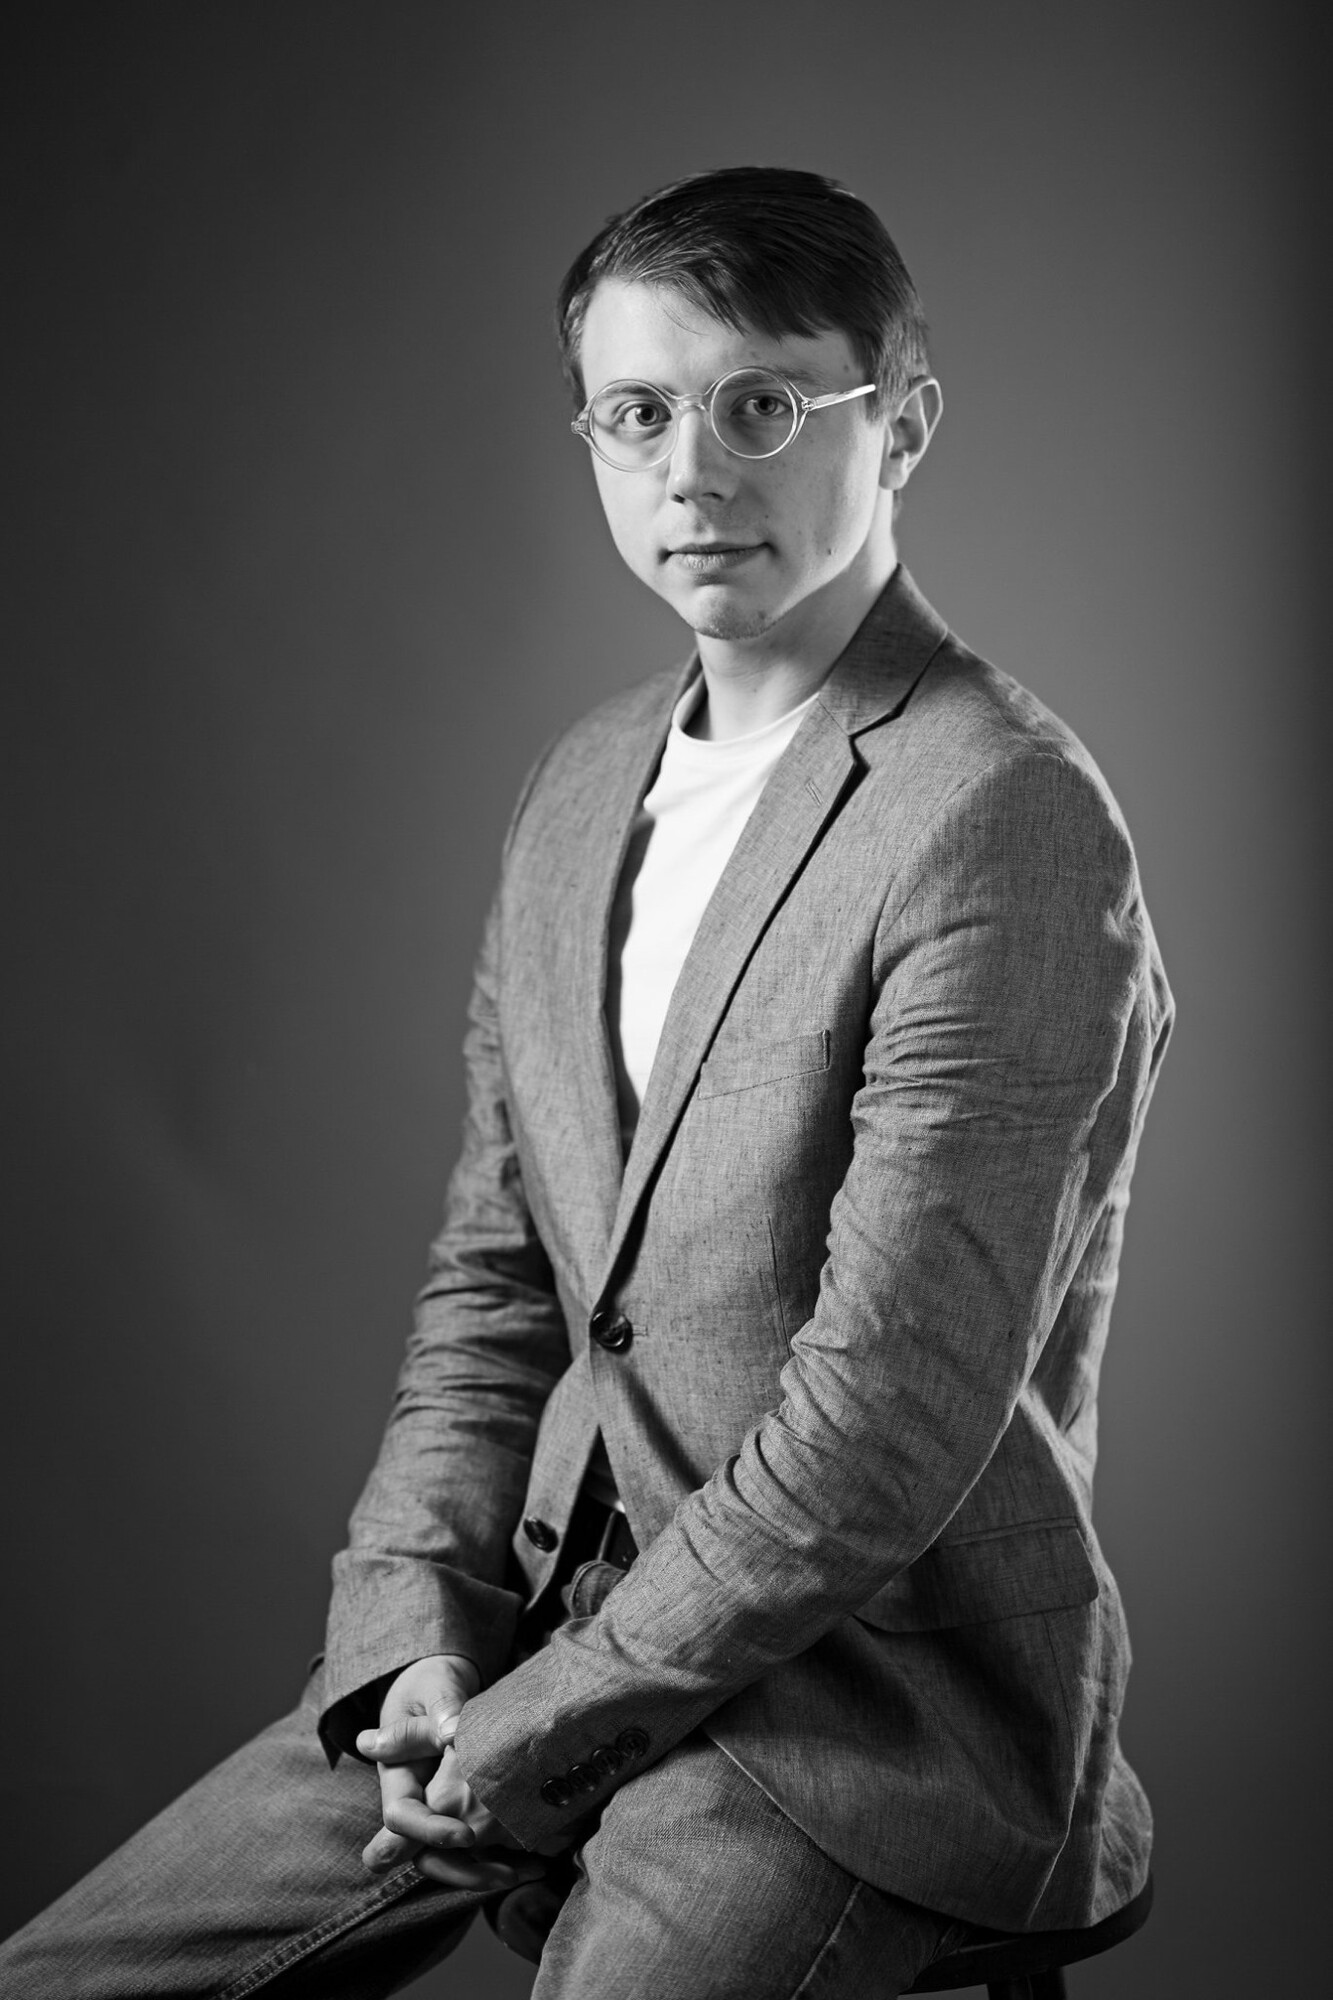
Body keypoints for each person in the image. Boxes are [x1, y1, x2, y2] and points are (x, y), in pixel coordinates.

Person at [0, 166, 1172, 1998]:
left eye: (762, 404)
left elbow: (885, 1428)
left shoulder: (998, 814)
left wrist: (548, 1726)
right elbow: (494, 1293)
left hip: (859, 1716)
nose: (694, 468)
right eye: (637, 414)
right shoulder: (578, 787)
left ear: (904, 424)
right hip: (530, 1623)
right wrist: (408, 1652)